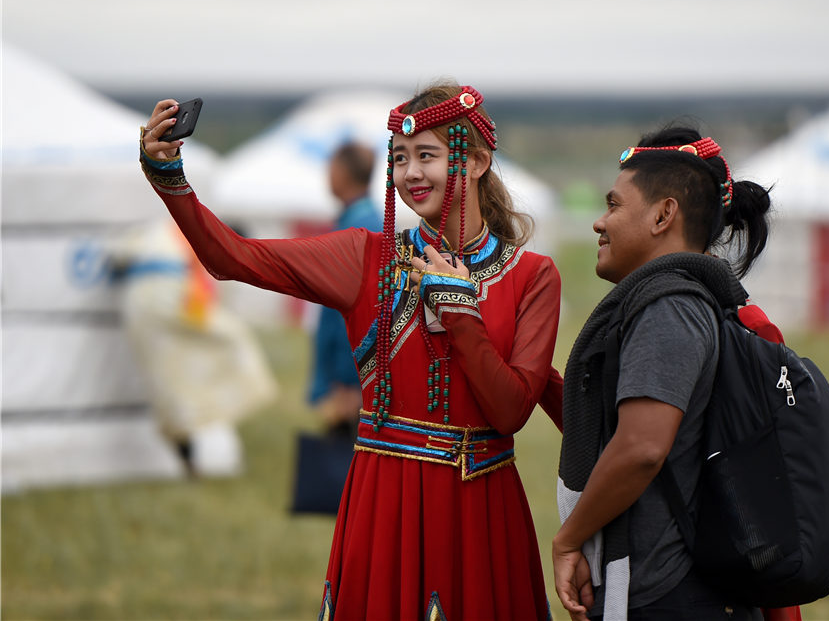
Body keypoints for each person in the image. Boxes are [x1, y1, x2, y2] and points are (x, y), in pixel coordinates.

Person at [140, 83, 561, 621]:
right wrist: (169, 176)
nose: (410, 173)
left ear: (476, 161)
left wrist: (457, 310)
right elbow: (232, 257)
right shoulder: (364, 258)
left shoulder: (532, 277)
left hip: (480, 507)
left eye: (426, 155)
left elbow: (509, 412)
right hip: (383, 502)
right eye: (401, 158)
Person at [552, 125, 774, 621]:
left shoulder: (668, 306)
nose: (598, 222)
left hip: (674, 595)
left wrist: (568, 541)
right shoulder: (688, 301)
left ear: (663, 214)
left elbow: (641, 449)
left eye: (613, 205)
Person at [109, 219, 278, 477]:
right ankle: (192, 452)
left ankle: (188, 457)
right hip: (173, 303)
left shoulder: (167, 229)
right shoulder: (197, 251)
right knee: (230, 341)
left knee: (170, 388)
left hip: (142, 309)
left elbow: (119, 253)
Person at [310, 141, 381, 437]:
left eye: (330, 166)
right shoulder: (358, 219)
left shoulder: (360, 227)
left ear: (343, 172)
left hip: (351, 381)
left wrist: (350, 381)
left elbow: (361, 310)